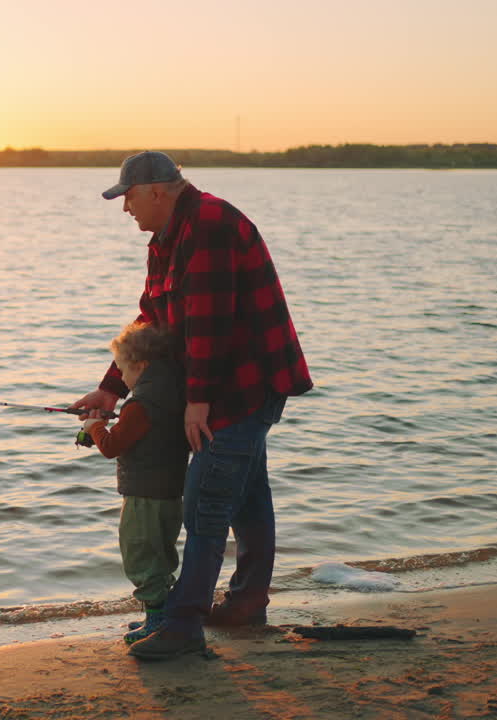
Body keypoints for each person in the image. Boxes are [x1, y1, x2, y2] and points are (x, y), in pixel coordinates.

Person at [73, 150, 313, 661]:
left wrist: (196, 403)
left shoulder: (208, 227)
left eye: (129, 197)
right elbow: (152, 322)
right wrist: (112, 389)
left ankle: (183, 625)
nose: (125, 209)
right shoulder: (166, 239)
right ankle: (247, 602)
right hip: (218, 385)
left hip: (245, 385)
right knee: (246, 495)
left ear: (158, 190)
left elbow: (209, 326)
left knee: (204, 499)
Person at [80, 321, 189, 645]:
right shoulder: (171, 391)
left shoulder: (141, 404)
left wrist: (94, 425)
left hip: (144, 495)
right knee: (160, 553)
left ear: (140, 366)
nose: (122, 380)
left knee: (140, 555)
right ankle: (161, 615)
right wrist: (98, 427)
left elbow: (112, 448)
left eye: (122, 371)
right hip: (169, 492)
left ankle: (157, 620)